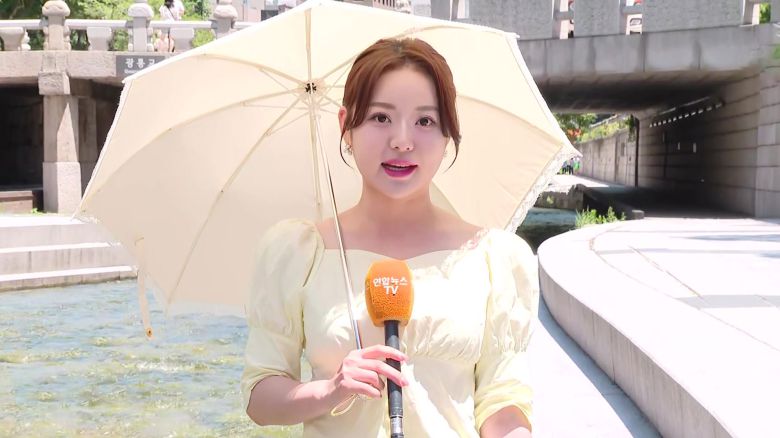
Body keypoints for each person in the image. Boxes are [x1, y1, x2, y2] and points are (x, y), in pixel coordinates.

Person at [241, 38, 538, 437]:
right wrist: (330, 389)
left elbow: (503, 399)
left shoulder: (491, 258)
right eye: (380, 118)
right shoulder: (300, 253)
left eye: (425, 121)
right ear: (346, 127)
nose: (402, 140)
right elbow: (260, 398)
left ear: (448, 134)